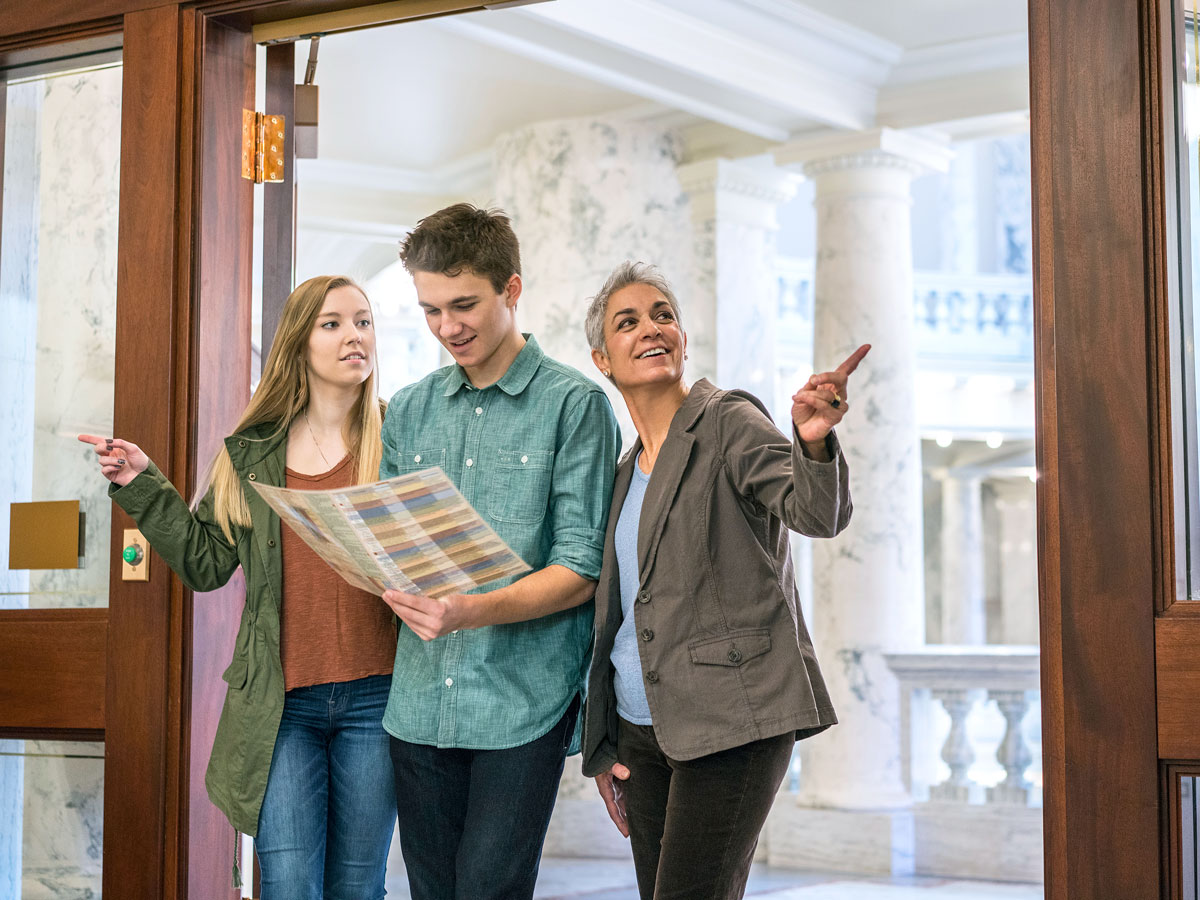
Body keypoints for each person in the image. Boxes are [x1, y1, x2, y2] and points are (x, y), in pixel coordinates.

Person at [78, 275, 397, 900]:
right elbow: (205, 563)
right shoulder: (251, 453)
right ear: (298, 344)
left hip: (379, 700)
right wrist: (143, 482)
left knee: (359, 887)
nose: (354, 336)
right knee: (286, 885)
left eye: (363, 321)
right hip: (280, 707)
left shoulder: (400, 436)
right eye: (332, 323)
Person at [579, 261, 865, 900]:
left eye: (664, 315)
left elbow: (813, 511)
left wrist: (812, 443)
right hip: (641, 730)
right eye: (629, 322)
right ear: (602, 358)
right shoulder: (625, 472)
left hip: (732, 719)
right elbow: (618, 615)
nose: (653, 327)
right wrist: (601, 742)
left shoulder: (727, 419)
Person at [378, 203, 622, 900]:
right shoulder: (412, 407)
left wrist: (469, 611)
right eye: (429, 310)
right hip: (420, 702)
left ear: (510, 290)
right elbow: (394, 545)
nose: (447, 328)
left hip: (520, 703)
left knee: (488, 891)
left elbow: (580, 569)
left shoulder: (575, 405)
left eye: (464, 305)